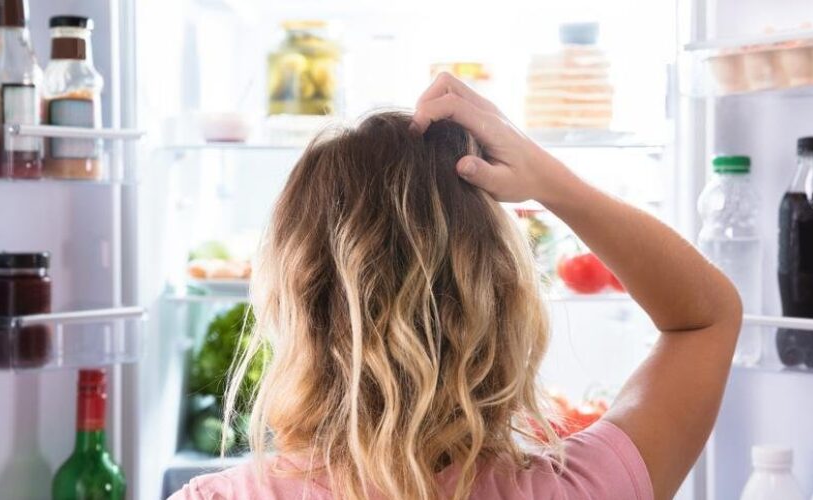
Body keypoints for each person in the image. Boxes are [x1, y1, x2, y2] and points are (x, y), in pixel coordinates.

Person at [172, 73, 742, 500]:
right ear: (503, 294)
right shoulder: (580, 489)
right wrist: (549, 181)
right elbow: (706, 318)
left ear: (294, 299)